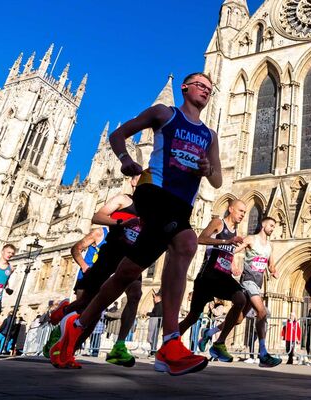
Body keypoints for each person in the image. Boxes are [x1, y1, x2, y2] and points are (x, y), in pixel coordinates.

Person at [50, 71, 222, 376]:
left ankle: (75, 326)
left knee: (128, 273)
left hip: (182, 204)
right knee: (186, 244)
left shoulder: (210, 135)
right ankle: (170, 343)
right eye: (200, 85)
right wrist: (124, 158)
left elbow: (218, 180)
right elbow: (119, 135)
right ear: (185, 88)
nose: (205, 91)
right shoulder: (164, 113)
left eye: (210, 88)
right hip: (154, 191)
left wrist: (208, 169)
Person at [48, 176, 143, 367]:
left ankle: (120, 345)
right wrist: (119, 223)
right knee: (89, 304)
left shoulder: (150, 210)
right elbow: (97, 217)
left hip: (130, 258)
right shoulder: (123, 199)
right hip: (111, 253)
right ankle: (66, 316)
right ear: (133, 182)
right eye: (142, 178)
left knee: (135, 295)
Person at [199, 216, 282, 367]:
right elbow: (232, 250)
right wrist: (233, 265)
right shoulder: (251, 239)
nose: (272, 228)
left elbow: (271, 265)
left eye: (274, 226)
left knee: (237, 319)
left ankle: (209, 333)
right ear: (263, 225)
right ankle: (263, 354)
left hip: (258, 284)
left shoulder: (270, 246)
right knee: (261, 311)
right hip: (248, 281)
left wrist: (274, 271)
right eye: (271, 225)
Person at [177, 199, 246, 363]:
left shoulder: (235, 231)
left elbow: (227, 253)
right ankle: (169, 342)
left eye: (244, 212)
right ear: (230, 209)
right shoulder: (218, 223)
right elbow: (200, 239)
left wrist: (232, 265)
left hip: (222, 276)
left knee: (241, 299)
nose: (243, 214)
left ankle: (219, 343)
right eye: (240, 211)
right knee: (193, 317)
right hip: (207, 276)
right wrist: (225, 241)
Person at [147, 290, 163, 355]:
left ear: (158, 297)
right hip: (156, 323)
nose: (153, 299)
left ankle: (153, 350)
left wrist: (148, 313)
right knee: (152, 337)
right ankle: (152, 350)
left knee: (154, 337)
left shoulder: (159, 305)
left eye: (154, 297)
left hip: (157, 323)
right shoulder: (157, 305)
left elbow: (156, 314)